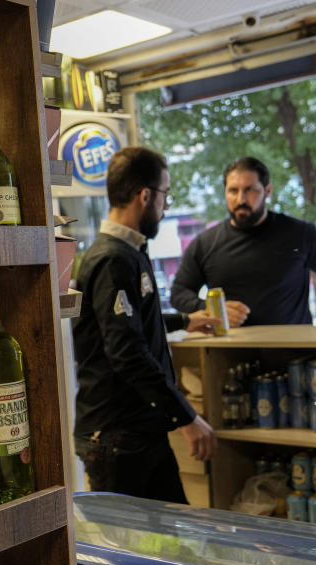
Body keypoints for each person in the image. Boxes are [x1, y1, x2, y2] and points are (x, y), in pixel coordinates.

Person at [73, 146, 217, 503]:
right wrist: (186, 417)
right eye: (165, 195)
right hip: (117, 439)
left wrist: (186, 320)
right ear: (145, 195)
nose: (166, 206)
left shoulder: (130, 253)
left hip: (139, 432)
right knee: (128, 554)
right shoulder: (112, 259)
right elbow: (127, 350)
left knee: (174, 542)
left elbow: (133, 323)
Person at [171, 157, 316, 327]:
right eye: (233, 190)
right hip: (229, 353)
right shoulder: (205, 243)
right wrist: (210, 309)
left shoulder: (300, 234)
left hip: (295, 350)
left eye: (250, 190)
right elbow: (179, 293)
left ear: (268, 191)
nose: (241, 199)